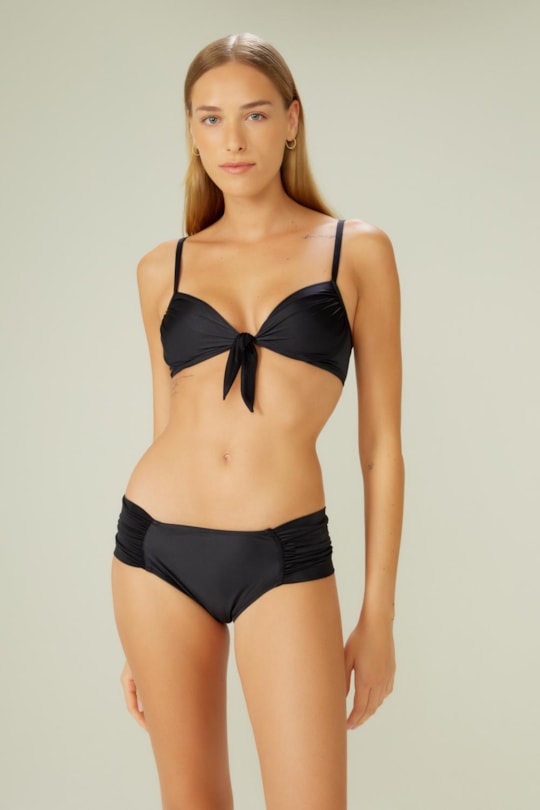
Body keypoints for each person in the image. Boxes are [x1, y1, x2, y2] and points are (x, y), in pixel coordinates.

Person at [111, 31, 404, 810]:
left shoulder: (355, 251)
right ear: (191, 131)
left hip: (284, 554)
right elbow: (167, 423)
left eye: (255, 114)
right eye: (210, 118)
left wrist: (377, 615)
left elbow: (381, 447)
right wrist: (142, 646)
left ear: (292, 121)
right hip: (154, 555)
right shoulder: (162, 267)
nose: (232, 140)